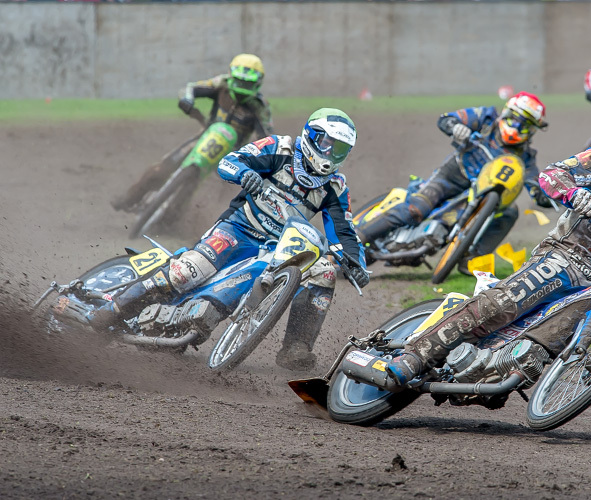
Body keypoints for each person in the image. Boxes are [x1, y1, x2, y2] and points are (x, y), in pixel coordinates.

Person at [348, 120, 591, 443]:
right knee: (506, 301)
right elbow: (552, 175)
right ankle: (415, 355)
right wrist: (575, 193)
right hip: (568, 256)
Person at [94, 108, 370, 371]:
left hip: (279, 249)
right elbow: (229, 161)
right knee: (185, 271)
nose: (331, 154)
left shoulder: (335, 187)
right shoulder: (279, 148)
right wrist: (245, 174)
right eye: (327, 144)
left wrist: (356, 261)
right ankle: (111, 310)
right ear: (311, 136)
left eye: (341, 149)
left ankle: (296, 348)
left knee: (325, 272)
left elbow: (343, 230)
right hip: (237, 230)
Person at [355, 92, 553, 273]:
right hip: (454, 174)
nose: (519, 128)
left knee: (510, 212)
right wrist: (455, 127)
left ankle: (472, 259)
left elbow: (535, 186)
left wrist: (547, 195)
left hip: (480, 195)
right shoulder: (486, 118)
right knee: (418, 207)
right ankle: (359, 236)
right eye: (517, 120)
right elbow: (446, 119)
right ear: (507, 113)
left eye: (527, 126)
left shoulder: (526, 157)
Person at [112, 53, 275, 212]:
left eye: (247, 84)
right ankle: (129, 198)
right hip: (204, 138)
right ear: (232, 76)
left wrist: (259, 155)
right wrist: (187, 100)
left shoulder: (260, 107)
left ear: (257, 83)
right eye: (239, 82)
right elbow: (191, 88)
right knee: (160, 170)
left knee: (218, 195)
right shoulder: (221, 84)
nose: (241, 89)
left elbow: (266, 138)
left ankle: (176, 217)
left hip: (232, 155)